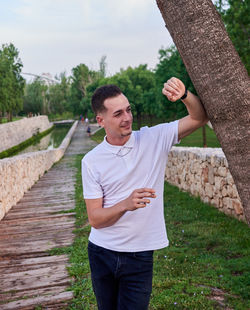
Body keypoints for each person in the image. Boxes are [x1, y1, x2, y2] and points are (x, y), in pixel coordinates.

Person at [81, 77, 208, 310]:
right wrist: (125, 204)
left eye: (128, 110)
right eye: (118, 113)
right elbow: (95, 219)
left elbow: (200, 117)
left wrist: (184, 96)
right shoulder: (91, 161)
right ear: (101, 120)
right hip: (102, 253)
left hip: (140, 254)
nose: (127, 118)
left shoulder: (153, 139)